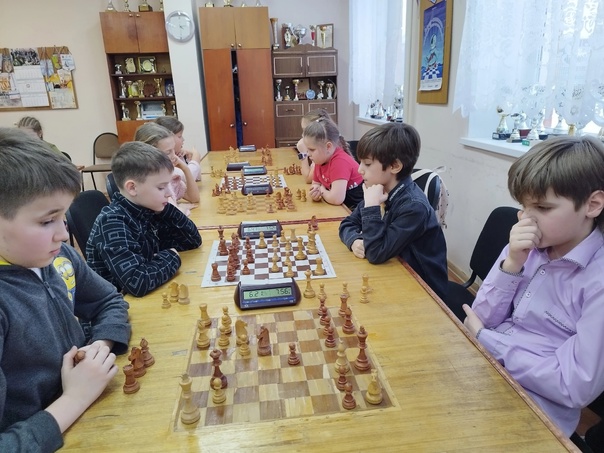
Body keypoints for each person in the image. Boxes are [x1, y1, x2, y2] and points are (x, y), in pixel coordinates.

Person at [462, 135, 604, 438]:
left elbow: (573, 385)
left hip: (536, 410)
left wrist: (489, 341)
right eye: (523, 206)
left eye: (542, 207)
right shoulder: (527, 246)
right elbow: (481, 317)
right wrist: (513, 263)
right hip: (486, 368)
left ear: (592, 204)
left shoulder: (597, 280)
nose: (526, 219)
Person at [0, 128, 131, 451]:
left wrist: (99, 346)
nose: (63, 234)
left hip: (86, 416)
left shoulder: (58, 257)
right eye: (47, 221)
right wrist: (75, 397)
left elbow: (108, 301)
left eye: (64, 217)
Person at [338, 122, 448, 300]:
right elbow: (347, 223)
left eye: (367, 164)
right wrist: (354, 240)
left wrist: (372, 207)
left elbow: (375, 253)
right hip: (395, 270)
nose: (359, 170)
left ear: (395, 166)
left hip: (424, 289)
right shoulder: (379, 188)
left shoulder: (414, 207)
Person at [86, 142, 202, 297]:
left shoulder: (148, 209)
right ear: (132, 188)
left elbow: (192, 241)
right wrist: (172, 256)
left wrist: (166, 208)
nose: (169, 193)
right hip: (116, 305)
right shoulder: (112, 222)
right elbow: (138, 282)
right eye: (161, 188)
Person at [303, 116, 363, 210]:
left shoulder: (339, 162)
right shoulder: (320, 160)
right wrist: (315, 192)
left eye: (312, 150)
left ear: (328, 147)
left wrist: (322, 190)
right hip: (340, 207)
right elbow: (316, 183)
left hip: (355, 210)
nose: (308, 154)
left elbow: (336, 199)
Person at [134, 122, 200, 204]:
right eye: (168, 152)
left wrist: (185, 169)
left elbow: (194, 198)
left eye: (173, 150)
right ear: (148, 155)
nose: (174, 156)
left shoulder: (170, 174)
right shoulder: (145, 183)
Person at [296, 109, 352, 184]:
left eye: (305, 130)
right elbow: (315, 181)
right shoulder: (322, 150)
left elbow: (308, 179)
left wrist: (303, 154)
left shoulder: (325, 152)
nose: (302, 135)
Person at [155, 116, 202, 181]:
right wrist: (195, 158)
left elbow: (197, 178)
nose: (183, 139)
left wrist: (190, 159)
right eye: (179, 136)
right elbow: (187, 179)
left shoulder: (179, 155)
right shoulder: (163, 160)